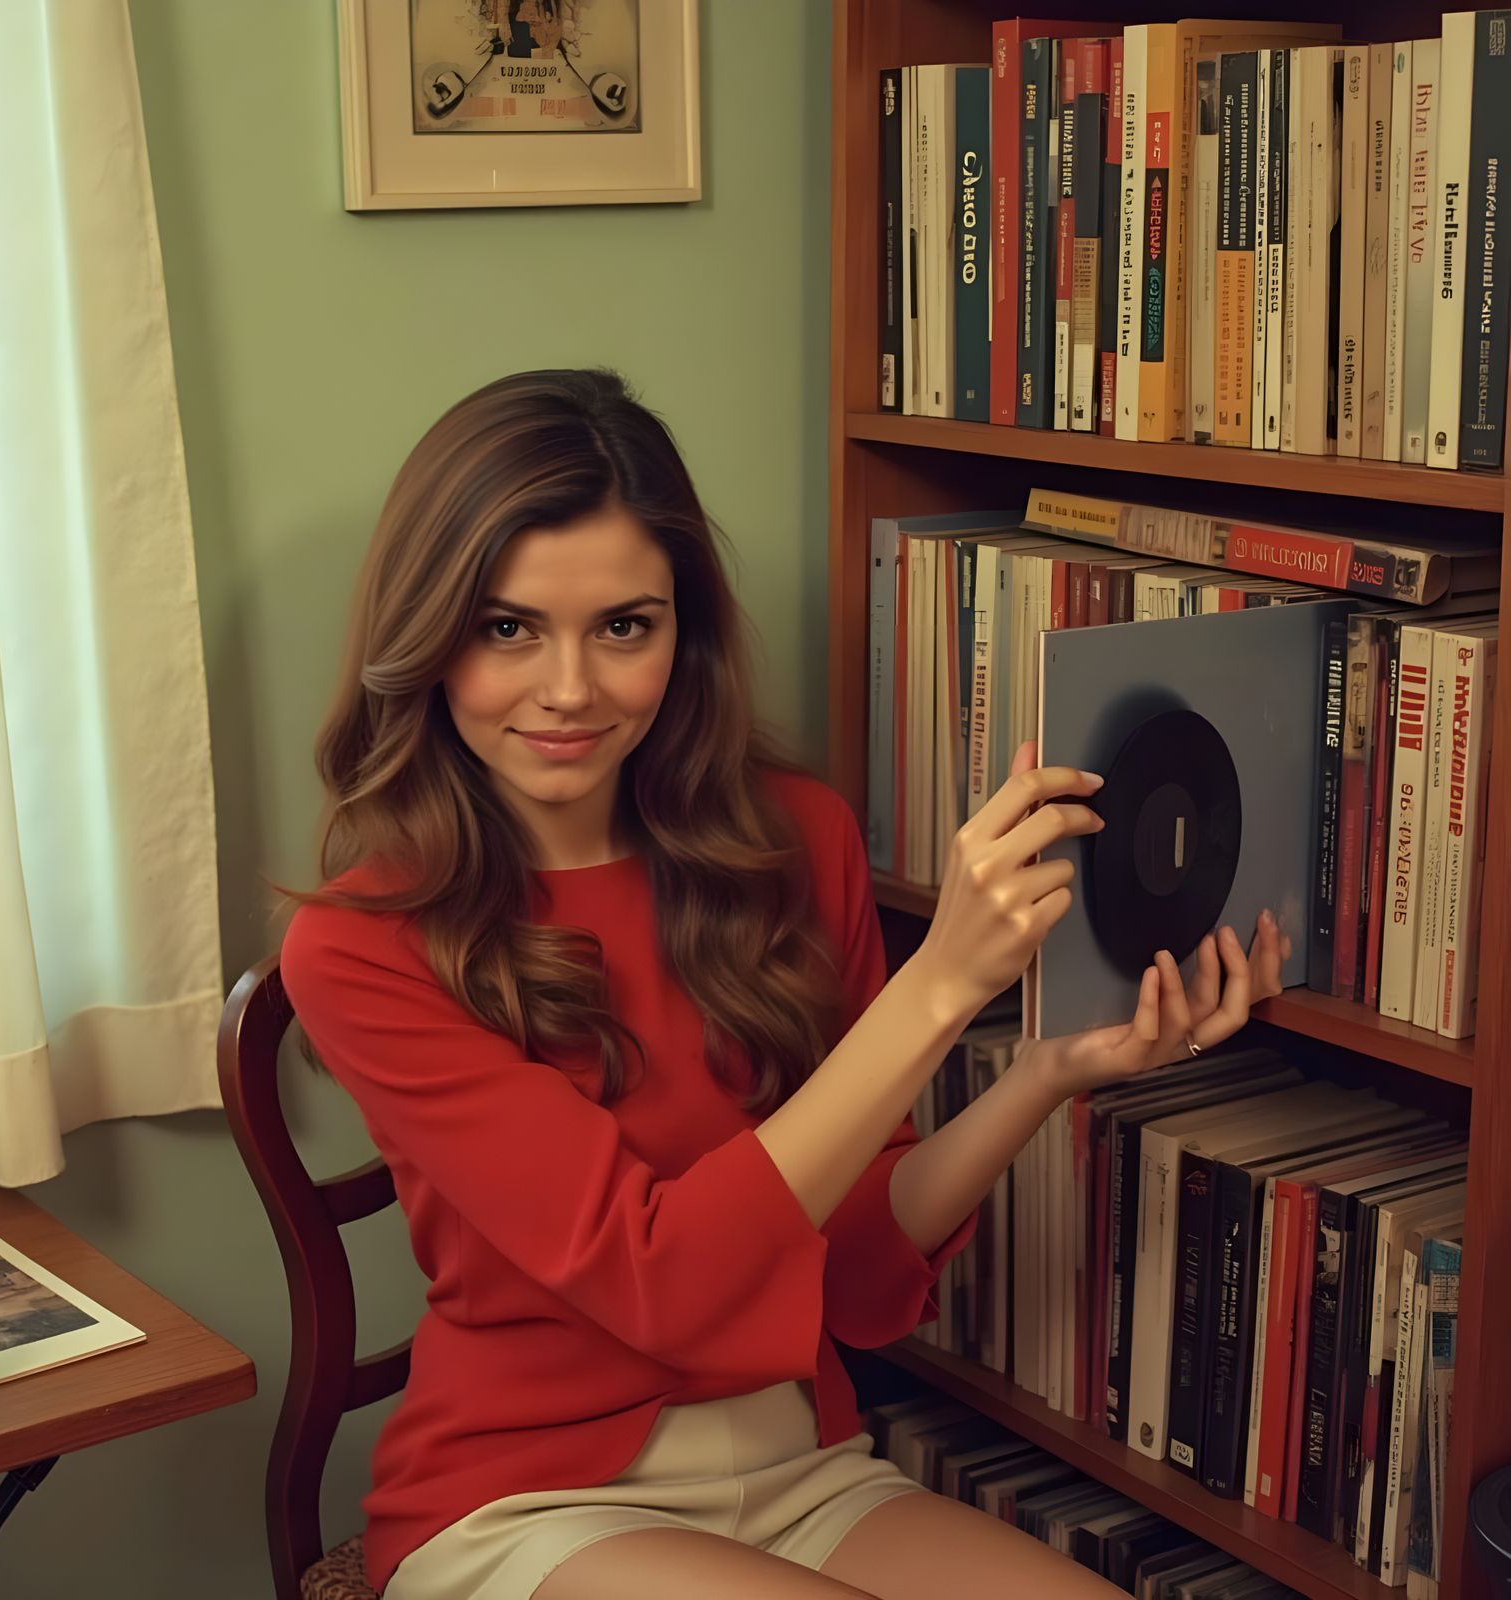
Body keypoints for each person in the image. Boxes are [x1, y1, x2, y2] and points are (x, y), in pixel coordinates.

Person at [278, 368, 1288, 1600]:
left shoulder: (794, 840)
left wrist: (1045, 1071)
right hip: (525, 1497)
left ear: (679, 633)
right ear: (428, 639)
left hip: (801, 1462)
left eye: (623, 626)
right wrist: (938, 988)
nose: (569, 690)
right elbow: (662, 1281)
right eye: (507, 629)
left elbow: (856, 1272)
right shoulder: (362, 946)